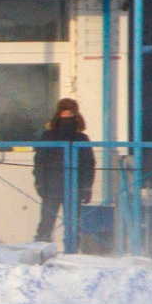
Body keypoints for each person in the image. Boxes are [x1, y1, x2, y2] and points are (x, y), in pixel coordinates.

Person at [31, 98, 96, 244]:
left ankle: (72, 253)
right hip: (52, 185)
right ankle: (41, 251)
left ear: (76, 115)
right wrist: (39, 183)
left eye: (70, 113)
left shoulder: (82, 138)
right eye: (64, 112)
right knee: (47, 222)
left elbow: (88, 164)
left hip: (75, 186)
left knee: (73, 224)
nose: (67, 116)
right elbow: (39, 161)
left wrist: (86, 186)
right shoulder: (48, 136)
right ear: (58, 114)